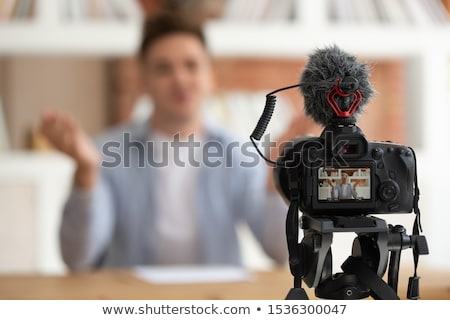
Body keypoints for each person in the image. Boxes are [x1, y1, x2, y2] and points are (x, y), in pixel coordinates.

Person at [40, 12, 319, 271]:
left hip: (216, 302)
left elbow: (280, 252)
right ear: (144, 80)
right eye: (163, 69)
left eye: (191, 65)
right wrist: (86, 173)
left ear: (209, 76)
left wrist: (275, 180)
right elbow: (77, 259)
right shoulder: (105, 152)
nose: (180, 79)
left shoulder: (238, 152)